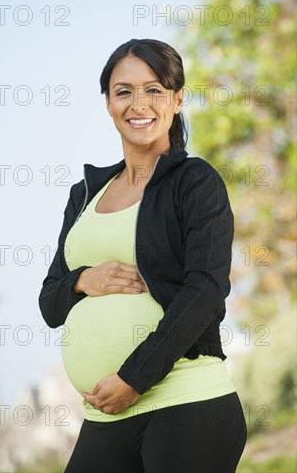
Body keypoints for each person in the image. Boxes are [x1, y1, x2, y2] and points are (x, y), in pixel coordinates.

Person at [38, 38, 247, 473]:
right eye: (124, 91)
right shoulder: (84, 194)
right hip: (104, 416)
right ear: (108, 103)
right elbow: (49, 303)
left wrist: (134, 379)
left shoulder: (195, 183)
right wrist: (81, 280)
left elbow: (205, 291)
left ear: (177, 98)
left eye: (153, 90)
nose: (139, 104)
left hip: (186, 405)